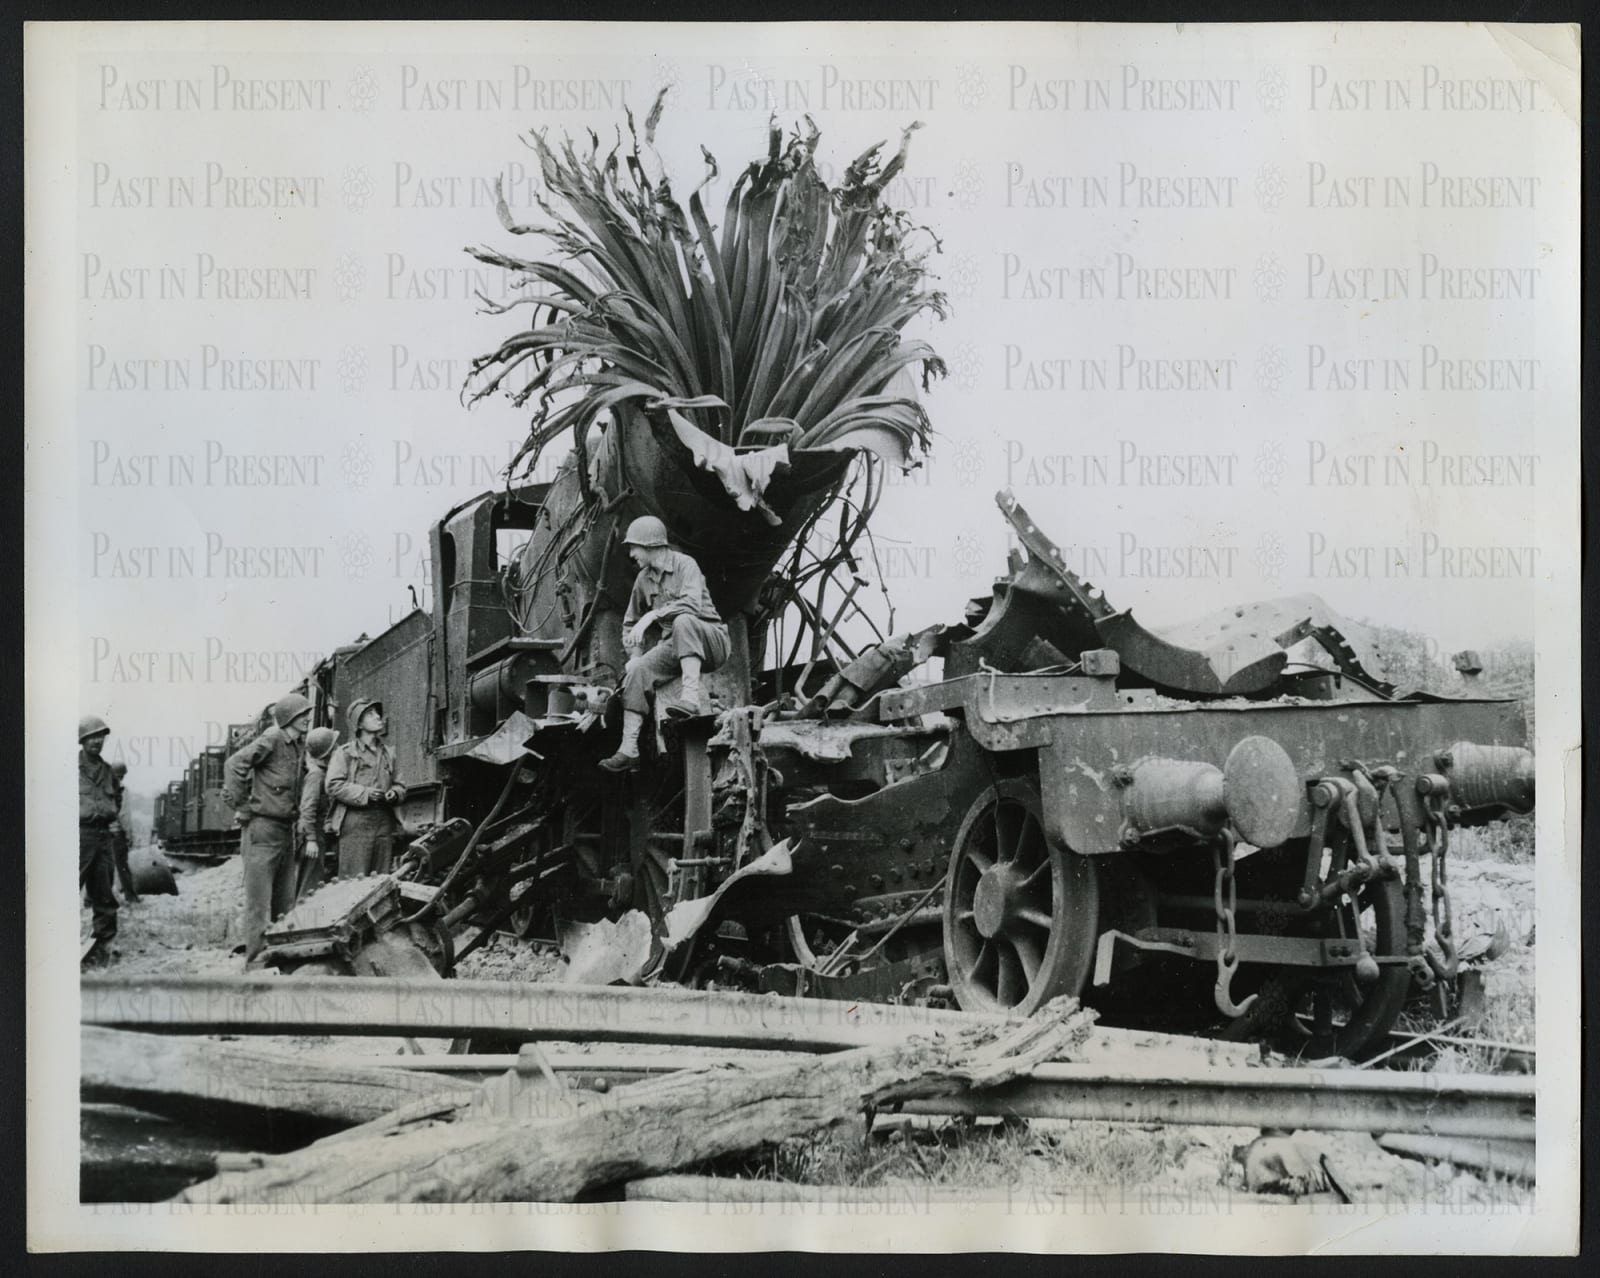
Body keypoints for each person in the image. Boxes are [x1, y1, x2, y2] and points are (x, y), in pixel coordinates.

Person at [600, 515, 731, 772]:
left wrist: (653, 614)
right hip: (674, 645)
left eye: (634, 547)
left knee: (683, 621)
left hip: (711, 641)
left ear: (650, 545)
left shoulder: (685, 565)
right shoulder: (643, 579)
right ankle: (629, 749)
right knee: (637, 671)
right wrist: (635, 655)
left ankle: (690, 698)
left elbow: (692, 605)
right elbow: (630, 623)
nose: (631, 554)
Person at [224, 691, 312, 961]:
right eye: (302, 715)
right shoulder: (272, 738)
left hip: (285, 830)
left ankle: (278, 959)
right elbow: (234, 764)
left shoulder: (298, 745)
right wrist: (243, 806)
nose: (307, 719)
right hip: (263, 829)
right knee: (259, 904)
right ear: (289, 718)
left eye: (307, 714)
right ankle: (255, 965)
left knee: (284, 903)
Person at [325, 698, 407, 877]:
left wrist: (395, 793)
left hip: (383, 822)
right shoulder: (345, 753)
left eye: (377, 713)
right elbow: (333, 785)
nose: (378, 717)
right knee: (354, 881)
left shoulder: (388, 754)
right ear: (359, 723)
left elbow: (400, 784)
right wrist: (365, 793)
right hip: (356, 823)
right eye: (370, 714)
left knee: (381, 880)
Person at [78, 715, 121, 964]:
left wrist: (109, 814)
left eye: (100, 737)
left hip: (104, 836)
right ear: (82, 740)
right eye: (91, 737)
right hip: (79, 835)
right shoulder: (70, 767)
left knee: (104, 893)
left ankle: (104, 946)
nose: (96, 742)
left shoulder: (108, 771)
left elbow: (118, 797)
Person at [295, 726, 339, 900]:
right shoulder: (316, 776)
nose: (338, 750)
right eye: (334, 748)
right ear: (327, 754)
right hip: (312, 838)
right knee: (309, 884)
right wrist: (311, 840)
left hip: (317, 835)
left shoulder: (323, 774)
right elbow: (307, 809)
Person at [108, 760, 140, 904]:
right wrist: (129, 836)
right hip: (117, 834)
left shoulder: (101, 789)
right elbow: (124, 816)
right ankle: (131, 896)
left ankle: (90, 899)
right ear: (122, 775)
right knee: (122, 867)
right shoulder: (122, 790)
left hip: (101, 834)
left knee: (102, 867)